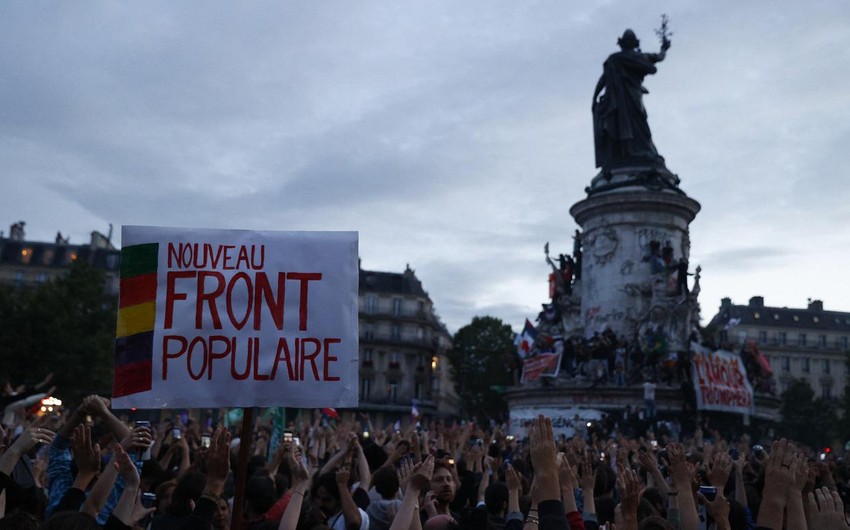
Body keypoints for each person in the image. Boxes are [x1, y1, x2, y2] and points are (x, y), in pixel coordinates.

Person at [592, 29, 670, 172]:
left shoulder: (617, 58)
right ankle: (629, 152)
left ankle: (633, 151)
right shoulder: (630, 58)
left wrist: (595, 96)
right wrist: (664, 49)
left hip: (625, 98)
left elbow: (603, 79)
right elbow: (658, 58)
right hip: (623, 98)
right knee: (632, 125)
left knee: (633, 125)